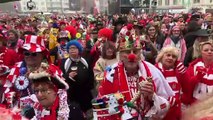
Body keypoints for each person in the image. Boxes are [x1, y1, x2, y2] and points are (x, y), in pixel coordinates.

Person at [96, 25, 174, 119]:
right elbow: (100, 108)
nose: (131, 56)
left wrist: (152, 96)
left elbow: (166, 105)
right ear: (120, 55)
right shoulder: (110, 74)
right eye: (128, 52)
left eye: (135, 52)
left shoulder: (153, 72)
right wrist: (120, 106)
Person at [3, 35, 50, 110]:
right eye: (26, 53)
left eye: (34, 54)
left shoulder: (51, 70)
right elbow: (8, 88)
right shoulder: (16, 68)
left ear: (42, 55)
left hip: (44, 111)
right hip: (19, 111)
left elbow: (58, 94)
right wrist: (12, 97)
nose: (30, 56)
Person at [60, 40, 95, 119]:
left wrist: (89, 88)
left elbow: (91, 75)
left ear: (79, 49)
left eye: (75, 48)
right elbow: (60, 78)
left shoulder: (85, 61)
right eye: (70, 48)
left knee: (88, 115)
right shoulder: (64, 62)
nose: (72, 50)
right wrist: (68, 76)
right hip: (72, 95)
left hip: (85, 94)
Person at [155, 46, 189, 120]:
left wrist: (184, 74)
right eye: (168, 55)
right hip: (160, 112)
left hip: (175, 111)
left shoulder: (178, 71)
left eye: (173, 57)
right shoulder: (155, 70)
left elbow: (187, 88)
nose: (170, 58)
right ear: (161, 56)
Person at [186, 40, 213, 105]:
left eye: (212, 50)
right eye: (206, 50)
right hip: (196, 103)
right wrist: (197, 77)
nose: (209, 52)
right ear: (201, 52)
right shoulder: (193, 66)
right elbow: (187, 85)